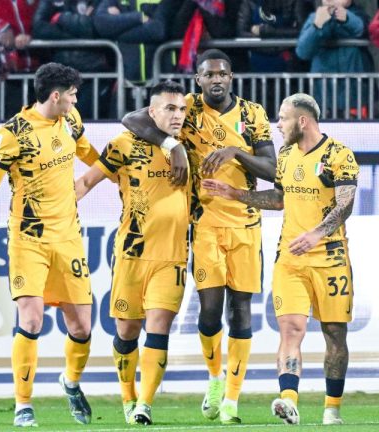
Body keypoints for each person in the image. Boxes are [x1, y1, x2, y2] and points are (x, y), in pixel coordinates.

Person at [122, 49, 277, 425]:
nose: (217, 80)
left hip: (246, 224)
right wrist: (171, 145)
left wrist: (237, 152)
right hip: (204, 222)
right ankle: (214, 379)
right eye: (210, 75)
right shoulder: (185, 109)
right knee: (209, 311)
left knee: (240, 312)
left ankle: (231, 403)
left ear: (232, 76)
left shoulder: (252, 115)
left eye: (223, 73)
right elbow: (130, 119)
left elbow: (273, 170)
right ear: (199, 79)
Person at [202, 93, 358, 426]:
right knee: (291, 329)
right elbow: (278, 198)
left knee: (334, 334)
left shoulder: (338, 154)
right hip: (290, 258)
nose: (278, 125)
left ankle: (332, 408)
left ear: (302, 121)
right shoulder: (286, 156)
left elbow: (345, 204)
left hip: (330, 258)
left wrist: (317, 233)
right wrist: (236, 194)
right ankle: (289, 400)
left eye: (283, 118)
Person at [0, 62, 99, 427]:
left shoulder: (71, 119)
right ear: (55, 95)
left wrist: (123, 170)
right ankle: (23, 405)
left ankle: (70, 383)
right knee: (31, 318)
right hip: (28, 239)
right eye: (72, 94)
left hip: (69, 237)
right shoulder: (14, 132)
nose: (76, 99)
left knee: (82, 328)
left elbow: (89, 154)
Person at [74, 80, 189, 425]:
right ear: (151, 112)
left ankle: (145, 404)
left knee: (158, 326)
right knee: (127, 331)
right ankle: (128, 396)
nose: (179, 116)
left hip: (172, 255)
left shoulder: (190, 144)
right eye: (170, 109)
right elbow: (86, 182)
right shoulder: (123, 144)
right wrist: (56, 209)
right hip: (131, 252)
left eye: (182, 109)